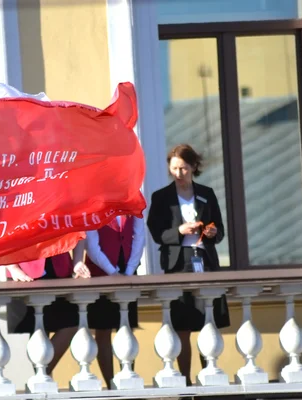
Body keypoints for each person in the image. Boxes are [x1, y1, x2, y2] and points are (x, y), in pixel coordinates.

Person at [146, 143, 230, 386]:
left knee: (208, 322)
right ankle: (186, 380)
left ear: (193, 166)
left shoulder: (207, 193)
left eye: (183, 168)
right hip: (178, 263)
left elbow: (220, 229)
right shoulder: (161, 197)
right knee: (182, 325)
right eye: (174, 168)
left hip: (204, 260)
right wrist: (180, 231)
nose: (178, 173)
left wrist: (213, 232)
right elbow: (156, 233)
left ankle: (210, 376)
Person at [80, 214, 145, 388]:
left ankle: (129, 380)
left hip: (127, 271)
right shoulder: (95, 203)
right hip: (101, 273)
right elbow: (92, 246)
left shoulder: (132, 199)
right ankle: (110, 384)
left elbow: (139, 236)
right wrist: (112, 272)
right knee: (103, 329)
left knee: (127, 328)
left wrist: (130, 270)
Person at [5, 249, 89, 375]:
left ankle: (42, 375)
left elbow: (78, 232)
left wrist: (77, 261)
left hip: (59, 266)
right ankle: (42, 379)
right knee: (38, 329)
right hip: (25, 270)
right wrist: (12, 267)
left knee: (71, 324)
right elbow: (5, 234)